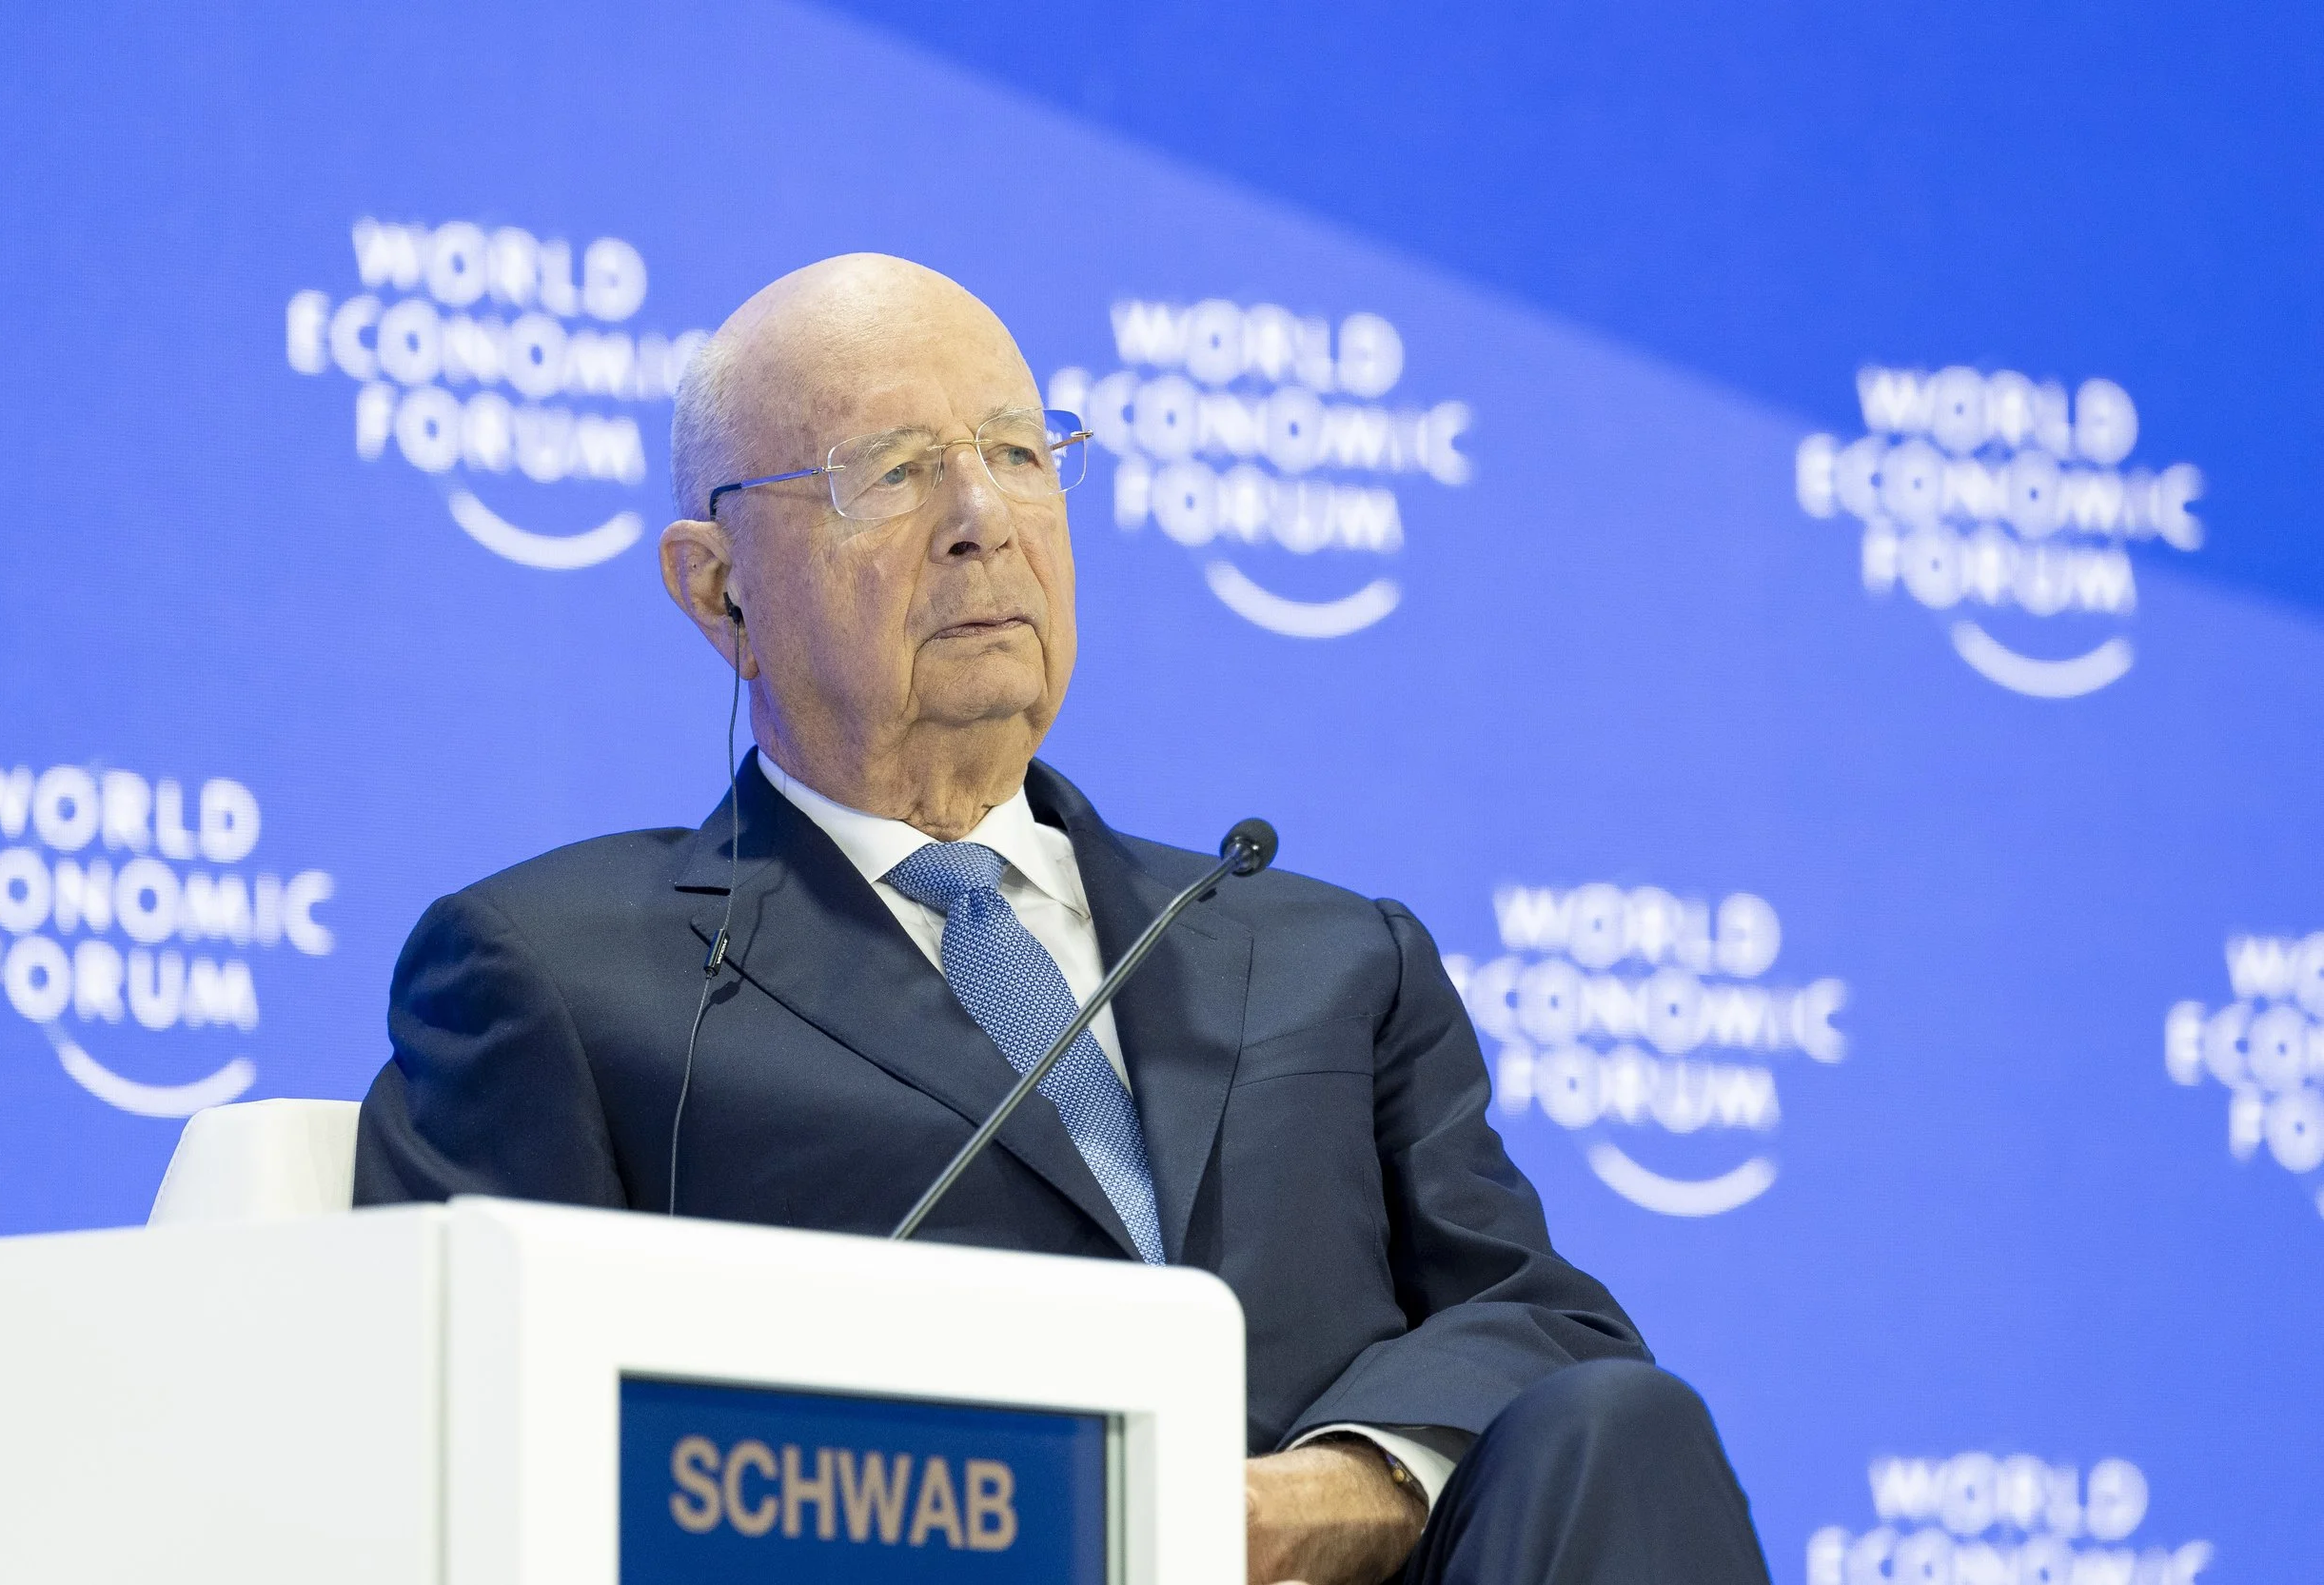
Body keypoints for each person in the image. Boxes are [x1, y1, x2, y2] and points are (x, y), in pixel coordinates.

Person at [354, 253, 1771, 1585]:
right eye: (894, 475)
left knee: (1614, 1429)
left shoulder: (1329, 955)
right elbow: (470, 1452)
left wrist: (1327, 1498)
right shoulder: (556, 975)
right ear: (719, 590)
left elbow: (1542, 1324)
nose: (985, 521)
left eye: (1022, 457)